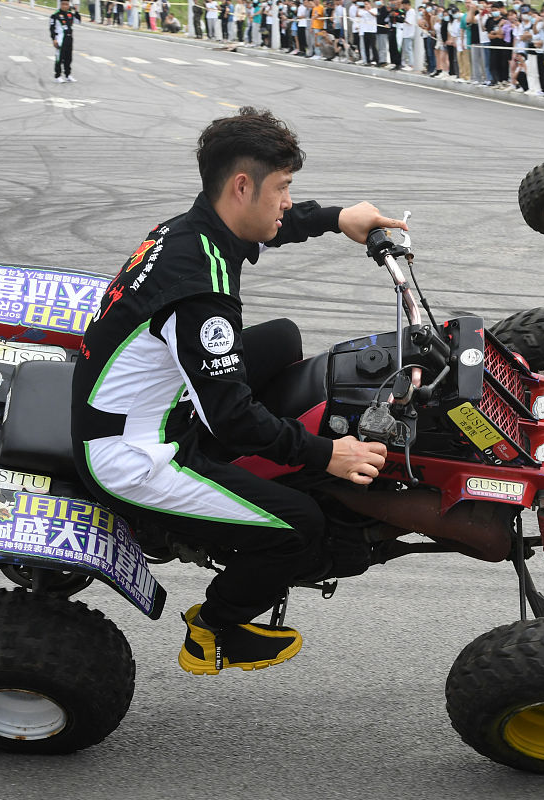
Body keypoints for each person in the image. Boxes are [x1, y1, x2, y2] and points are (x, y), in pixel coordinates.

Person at [72, 108, 406, 675]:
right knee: (301, 524)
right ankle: (213, 628)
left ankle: (263, 472)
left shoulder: (194, 229)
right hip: (133, 452)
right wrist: (330, 454)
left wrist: (336, 217)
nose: (285, 202)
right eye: (282, 189)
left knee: (283, 338)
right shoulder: (201, 291)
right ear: (241, 185)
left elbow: (276, 225)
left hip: (149, 398)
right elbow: (230, 419)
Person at [50, 0, 81, 83]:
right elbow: (52, 29)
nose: (65, 6)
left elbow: (78, 21)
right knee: (59, 58)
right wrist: (54, 39)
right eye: (63, 4)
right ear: (60, 5)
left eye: (66, 4)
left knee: (69, 58)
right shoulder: (55, 15)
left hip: (69, 39)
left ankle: (68, 75)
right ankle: (58, 76)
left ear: (69, 5)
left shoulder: (70, 14)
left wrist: (76, 11)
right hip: (60, 40)